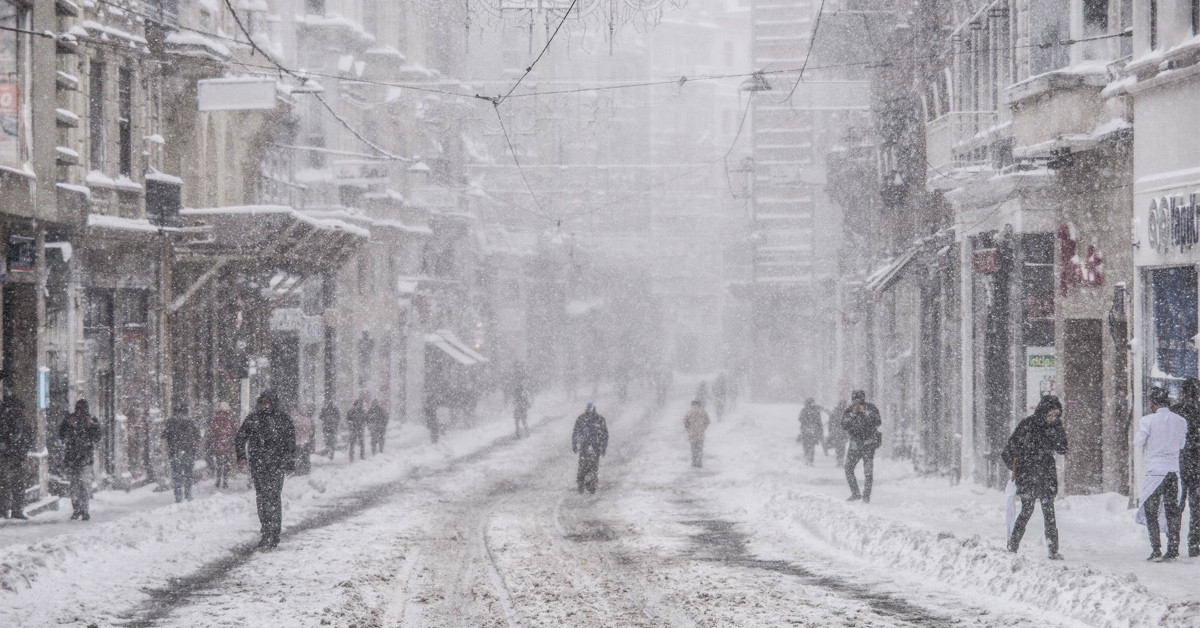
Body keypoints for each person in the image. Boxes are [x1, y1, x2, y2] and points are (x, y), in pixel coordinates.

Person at [1001, 395, 1068, 560]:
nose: (1052, 418)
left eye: (1056, 415)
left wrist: (1057, 431)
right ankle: (1013, 544)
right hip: (1028, 474)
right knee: (1027, 509)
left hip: (1046, 474)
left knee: (1049, 511)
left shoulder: (1055, 427)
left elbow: (1063, 448)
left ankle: (1053, 550)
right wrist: (1018, 467)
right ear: (1043, 411)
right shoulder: (1028, 425)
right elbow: (1009, 450)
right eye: (1050, 414)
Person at [235, 390, 296, 549]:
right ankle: (266, 531)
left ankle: (274, 533)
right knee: (262, 498)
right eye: (264, 403)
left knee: (274, 497)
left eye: (269, 403)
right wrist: (242, 456)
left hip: (276, 464)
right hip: (258, 464)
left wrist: (289, 463)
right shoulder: (254, 419)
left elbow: (290, 443)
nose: (266, 406)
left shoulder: (283, 419)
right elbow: (241, 437)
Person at [1135, 387, 1188, 561]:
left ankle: (1156, 548)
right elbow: (1181, 445)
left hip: (1155, 473)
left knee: (1151, 510)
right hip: (1173, 471)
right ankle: (1172, 549)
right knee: (1172, 511)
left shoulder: (1147, 421)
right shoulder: (1180, 421)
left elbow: (1138, 442)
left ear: (1153, 403)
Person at [59, 400, 102, 521]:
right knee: (74, 485)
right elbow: (62, 435)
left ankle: (85, 510)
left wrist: (92, 425)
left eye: (83, 412)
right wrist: (69, 425)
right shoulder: (69, 419)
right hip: (72, 458)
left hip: (86, 458)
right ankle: (76, 509)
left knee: (83, 484)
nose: (81, 415)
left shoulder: (92, 420)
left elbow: (97, 437)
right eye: (79, 412)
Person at [1172, 378, 1200, 557]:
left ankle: (1174, 543)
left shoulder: (1175, 412)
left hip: (1179, 462)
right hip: (1197, 462)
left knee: (1177, 505)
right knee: (1196, 506)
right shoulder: (1198, 410)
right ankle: (1194, 543)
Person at [0, 374, 31, 519]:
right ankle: (7, 509)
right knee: (7, 483)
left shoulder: (22, 421)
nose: (15, 410)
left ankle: (15, 509)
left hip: (17, 455)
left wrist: (23, 450)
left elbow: (28, 438)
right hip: (8, 455)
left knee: (16, 484)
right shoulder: (6, 419)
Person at [842, 390, 882, 503]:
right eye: (855, 399)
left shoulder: (871, 408)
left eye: (859, 399)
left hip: (868, 444)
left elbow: (878, 421)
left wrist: (866, 412)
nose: (857, 402)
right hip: (855, 444)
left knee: (868, 471)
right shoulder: (849, 410)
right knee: (848, 468)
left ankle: (866, 496)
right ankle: (855, 493)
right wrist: (852, 414)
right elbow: (843, 424)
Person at [572, 402, 609, 494]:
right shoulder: (581, 419)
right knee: (582, 465)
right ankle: (580, 483)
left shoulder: (600, 420)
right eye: (588, 413)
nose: (589, 415)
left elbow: (604, 435)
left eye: (591, 413)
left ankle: (592, 484)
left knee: (594, 466)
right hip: (584, 446)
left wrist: (603, 447)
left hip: (595, 446)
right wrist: (574, 443)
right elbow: (575, 432)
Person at [163, 414, 199, 503]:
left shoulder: (170, 423)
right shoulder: (191, 423)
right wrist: (193, 448)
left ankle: (179, 497)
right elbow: (198, 437)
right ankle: (188, 495)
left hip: (175, 453)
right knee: (189, 475)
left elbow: (163, 436)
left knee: (177, 475)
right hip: (189, 453)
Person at [209, 402, 237, 490]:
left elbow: (211, 431)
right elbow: (236, 431)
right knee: (227, 464)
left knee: (219, 464)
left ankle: (218, 481)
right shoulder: (231, 418)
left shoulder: (216, 418)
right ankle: (225, 481)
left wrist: (216, 437)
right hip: (228, 445)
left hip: (218, 445)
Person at [683, 399, 710, 468]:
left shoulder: (689, 412)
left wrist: (689, 429)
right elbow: (708, 421)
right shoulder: (703, 412)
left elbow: (685, 422)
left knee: (693, 448)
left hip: (692, 433)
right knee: (700, 448)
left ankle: (694, 461)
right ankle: (699, 462)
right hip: (700, 433)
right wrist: (703, 427)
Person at [798, 398, 823, 467]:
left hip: (807, 431)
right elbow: (819, 421)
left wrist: (806, 423)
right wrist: (819, 429)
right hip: (812, 431)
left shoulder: (804, 410)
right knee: (811, 446)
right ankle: (810, 459)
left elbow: (800, 419)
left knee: (807, 445)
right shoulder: (815, 411)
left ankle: (807, 458)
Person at [293, 403, 315, 474]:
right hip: (305, 440)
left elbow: (294, 430)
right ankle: (306, 469)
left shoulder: (295, 419)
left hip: (298, 441)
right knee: (305, 456)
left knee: (299, 456)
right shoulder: (307, 419)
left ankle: (299, 469)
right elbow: (311, 431)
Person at [825, 401, 848, 466]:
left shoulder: (846, 413)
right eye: (842, 405)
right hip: (838, 432)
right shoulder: (843, 413)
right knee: (839, 447)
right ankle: (839, 460)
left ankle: (840, 460)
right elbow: (830, 423)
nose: (842, 407)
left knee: (841, 447)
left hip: (841, 433)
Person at [345, 397, 368, 461]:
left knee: (361, 443)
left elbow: (366, 419)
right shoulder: (351, 411)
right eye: (358, 404)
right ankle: (351, 457)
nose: (359, 405)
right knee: (353, 444)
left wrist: (363, 425)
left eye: (360, 404)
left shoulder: (362, 411)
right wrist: (352, 426)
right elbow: (348, 420)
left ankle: (362, 456)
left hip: (360, 429)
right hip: (353, 429)